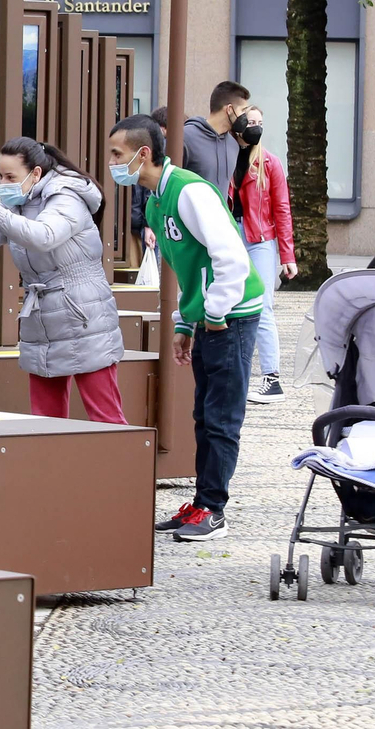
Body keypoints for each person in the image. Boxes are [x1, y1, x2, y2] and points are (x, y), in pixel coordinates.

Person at [108, 115, 263, 542]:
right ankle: (201, 502)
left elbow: (230, 256)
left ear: (144, 154)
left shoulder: (189, 191)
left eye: (117, 155)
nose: (113, 164)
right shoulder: (157, 200)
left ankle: (215, 509)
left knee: (221, 416)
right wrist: (186, 322)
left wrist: (212, 314)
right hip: (210, 317)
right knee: (203, 414)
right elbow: (186, 267)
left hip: (233, 315)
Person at [0, 137, 126, 423]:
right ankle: (51, 468)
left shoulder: (66, 195)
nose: (3, 182)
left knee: (105, 416)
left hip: (84, 315)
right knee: (44, 421)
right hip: (41, 317)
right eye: (0, 176)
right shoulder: (16, 201)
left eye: (10, 176)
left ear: (35, 173)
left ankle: (121, 467)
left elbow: (43, 236)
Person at [229, 106, 297, 404]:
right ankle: (233, 374)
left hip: (260, 239)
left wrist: (287, 255)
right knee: (228, 303)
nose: (256, 127)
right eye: (250, 122)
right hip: (230, 236)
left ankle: (272, 379)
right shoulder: (227, 156)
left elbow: (282, 208)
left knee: (263, 306)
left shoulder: (269, 163)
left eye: (260, 122)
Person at [183, 81, 252, 193]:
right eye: (243, 111)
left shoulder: (233, 145)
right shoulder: (187, 137)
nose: (245, 117)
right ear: (229, 109)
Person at [130, 106, 167, 259]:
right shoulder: (157, 147)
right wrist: (148, 225)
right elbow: (150, 190)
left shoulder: (142, 145)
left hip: (137, 219)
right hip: (143, 220)